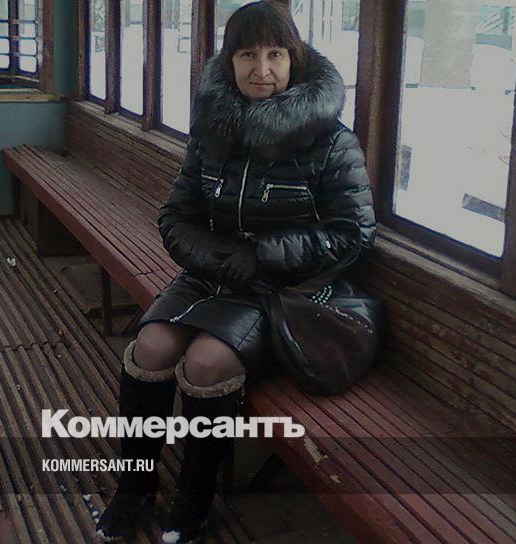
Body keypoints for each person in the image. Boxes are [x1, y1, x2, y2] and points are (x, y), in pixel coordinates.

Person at [95, 2, 377, 542]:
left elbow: (353, 233)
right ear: (229, 62)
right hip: (214, 273)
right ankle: (135, 484)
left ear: (295, 61)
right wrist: (215, 257)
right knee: (150, 347)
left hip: (283, 290)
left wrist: (266, 254)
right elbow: (175, 216)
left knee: (206, 362)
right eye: (247, 55)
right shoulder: (212, 132)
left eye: (275, 55)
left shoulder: (331, 141)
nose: (261, 70)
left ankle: (194, 499)